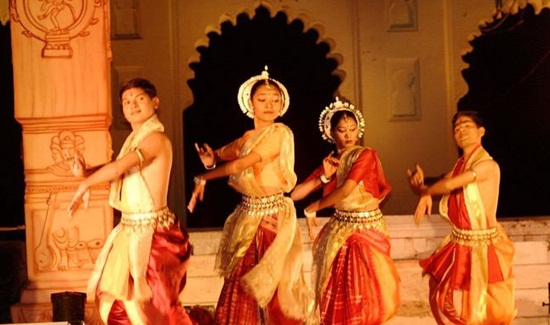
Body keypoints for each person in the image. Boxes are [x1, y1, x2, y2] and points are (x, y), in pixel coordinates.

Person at [187, 67, 310, 325]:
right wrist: (211, 160)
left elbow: (240, 165)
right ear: (251, 104)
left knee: (271, 285)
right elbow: (225, 153)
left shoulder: (279, 133)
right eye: (263, 99)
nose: (270, 104)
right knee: (241, 283)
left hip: (272, 218)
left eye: (275, 99)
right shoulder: (247, 137)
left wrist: (204, 177)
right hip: (247, 217)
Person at [68, 78, 195, 325]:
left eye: (139, 99)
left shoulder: (156, 139)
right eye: (126, 101)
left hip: (155, 235)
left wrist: (86, 183)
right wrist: (86, 173)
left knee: (154, 310)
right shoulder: (136, 140)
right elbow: (119, 167)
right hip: (131, 231)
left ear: (155, 103)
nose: (132, 105)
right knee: (117, 307)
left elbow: (119, 168)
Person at [291, 97, 400, 325]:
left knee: (370, 295)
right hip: (340, 232)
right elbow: (295, 194)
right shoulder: (332, 162)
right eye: (342, 130)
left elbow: (347, 189)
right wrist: (323, 177)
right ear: (332, 133)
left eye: (353, 129)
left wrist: (315, 207)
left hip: (365, 232)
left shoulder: (365, 155)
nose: (349, 135)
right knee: (341, 292)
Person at [407, 110, 517, 325]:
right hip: (460, 241)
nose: (461, 130)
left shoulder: (487, 166)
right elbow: (442, 180)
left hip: (484, 245)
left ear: (481, 131)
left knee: (488, 308)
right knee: (443, 295)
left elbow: (448, 185)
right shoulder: (459, 166)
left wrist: (428, 192)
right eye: (457, 128)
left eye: (467, 125)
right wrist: (421, 186)